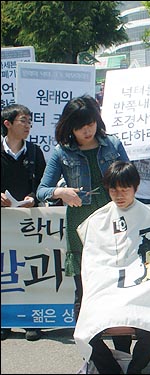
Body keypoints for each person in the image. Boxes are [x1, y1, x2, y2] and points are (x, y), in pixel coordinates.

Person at [74, 161, 150, 374]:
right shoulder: (96, 221)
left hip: (144, 292)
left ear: (135, 187)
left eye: (124, 189)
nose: (119, 195)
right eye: (113, 189)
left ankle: (134, 369)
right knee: (84, 331)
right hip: (107, 292)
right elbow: (93, 264)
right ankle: (111, 370)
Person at [36, 95, 130, 351]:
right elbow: (41, 190)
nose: (87, 131)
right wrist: (61, 193)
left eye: (90, 124)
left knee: (120, 290)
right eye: (80, 127)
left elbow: (129, 177)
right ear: (70, 128)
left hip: (115, 222)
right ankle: (93, 354)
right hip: (81, 226)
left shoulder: (112, 144)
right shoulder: (61, 152)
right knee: (85, 293)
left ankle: (122, 353)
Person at [1, 103, 46, 342]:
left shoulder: (35, 151)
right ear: (7, 124)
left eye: (30, 121)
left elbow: (43, 182)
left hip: (29, 221)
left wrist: (33, 197)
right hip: (3, 221)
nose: (28, 125)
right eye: (23, 121)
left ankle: (31, 321)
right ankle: (5, 322)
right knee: (5, 270)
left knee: (29, 269)